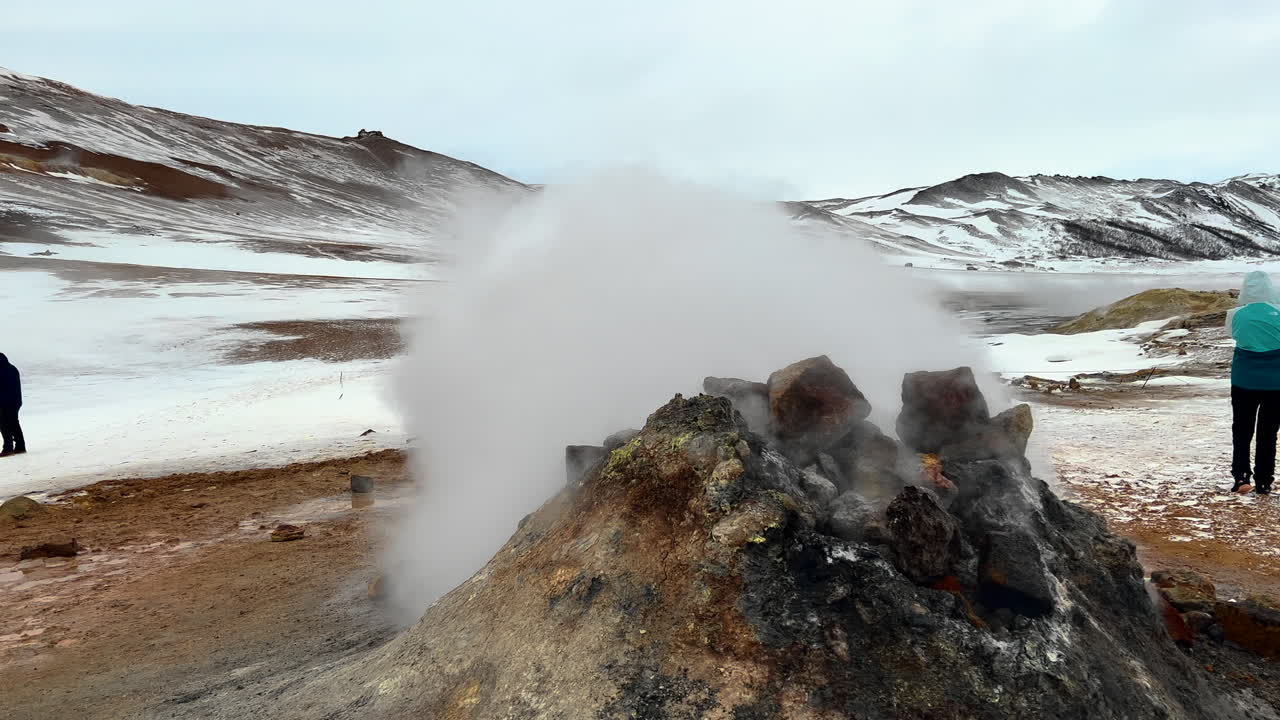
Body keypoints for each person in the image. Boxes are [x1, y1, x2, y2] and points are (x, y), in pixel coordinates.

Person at [1228, 272, 1280, 494]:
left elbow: (1234, 335)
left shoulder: (1236, 314)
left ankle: (1241, 478)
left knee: (1241, 430)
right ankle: (1264, 481)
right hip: (1275, 383)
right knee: (1268, 433)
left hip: (1243, 379)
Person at [0, 353, 23, 457]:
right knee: (14, 423)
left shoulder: (2, 370)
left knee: (4, 424)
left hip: (5, 402)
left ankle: (8, 448)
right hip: (15, 401)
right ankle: (20, 447)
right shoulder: (12, 368)